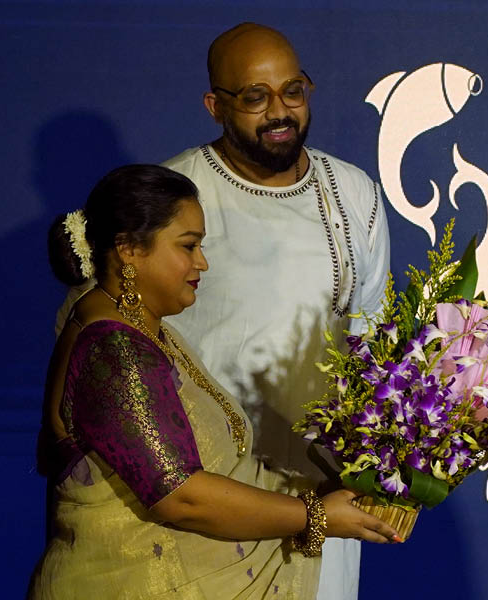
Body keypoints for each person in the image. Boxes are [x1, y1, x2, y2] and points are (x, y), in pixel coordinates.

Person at [30, 165, 399, 599]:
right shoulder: (113, 350)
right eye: (188, 246)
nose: (201, 262)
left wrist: (323, 492)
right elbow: (181, 497)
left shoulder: (139, 328)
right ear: (129, 249)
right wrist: (312, 514)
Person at [162, 25, 391, 598]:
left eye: (293, 91)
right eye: (255, 98)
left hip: (325, 489)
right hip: (213, 493)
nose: (279, 112)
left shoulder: (354, 192)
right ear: (216, 106)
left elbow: (374, 336)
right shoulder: (175, 192)